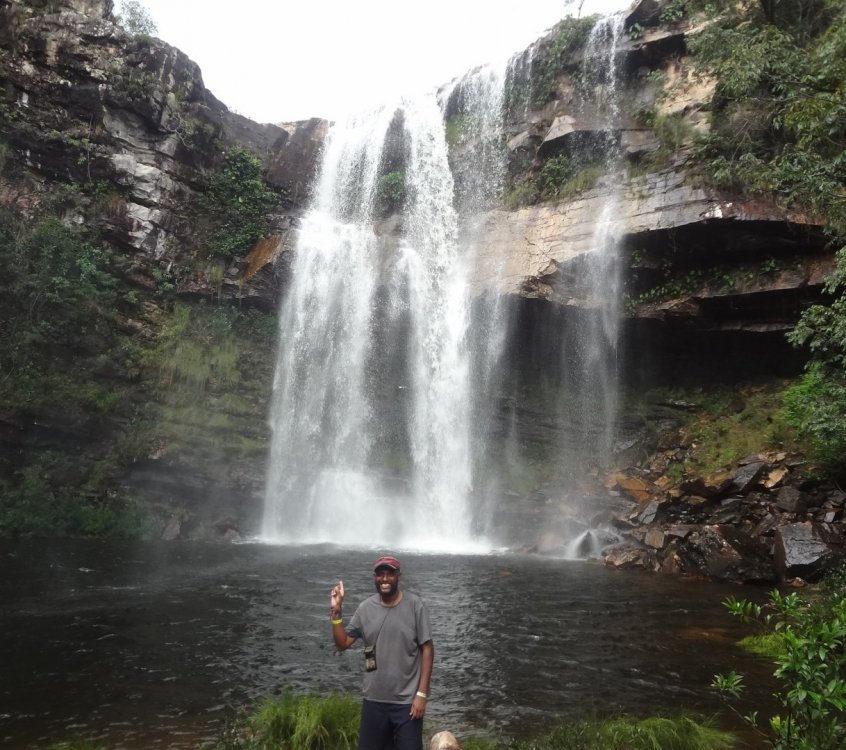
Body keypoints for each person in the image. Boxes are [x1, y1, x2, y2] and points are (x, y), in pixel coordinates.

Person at [330, 555, 434, 750]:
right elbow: (343, 643)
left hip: (407, 704)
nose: (385, 579)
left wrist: (421, 694)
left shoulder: (414, 605)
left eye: (390, 574)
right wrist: (336, 611)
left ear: (398, 576)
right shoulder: (365, 608)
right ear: (374, 577)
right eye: (380, 574)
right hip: (373, 701)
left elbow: (427, 648)